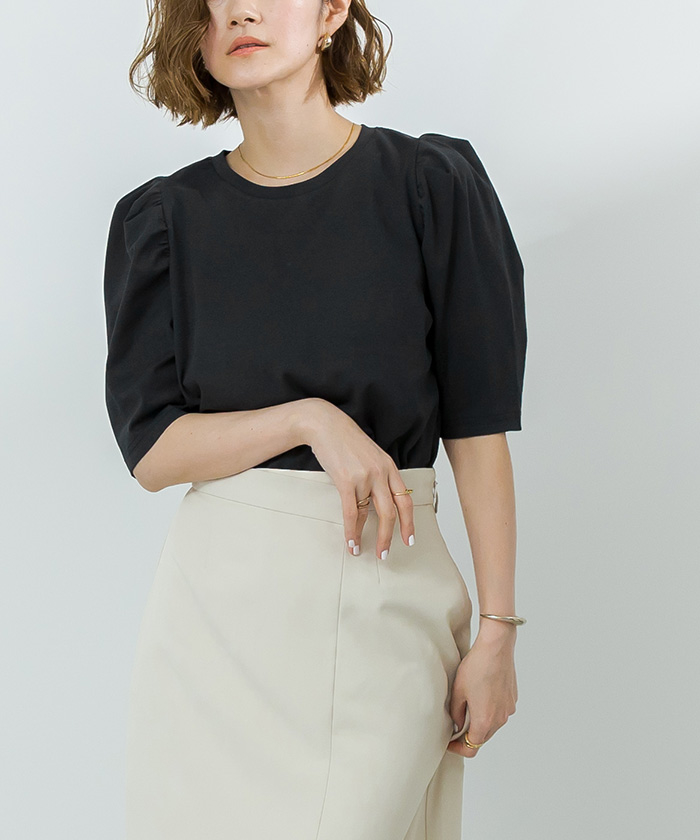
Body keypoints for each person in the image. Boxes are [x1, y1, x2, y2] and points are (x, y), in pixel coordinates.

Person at [102, 0, 528, 837]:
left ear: (333, 11)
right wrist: (307, 420)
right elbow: (152, 449)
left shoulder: (429, 186)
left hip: (386, 600)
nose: (241, 11)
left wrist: (498, 631)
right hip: (215, 624)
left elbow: (478, 432)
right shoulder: (163, 220)